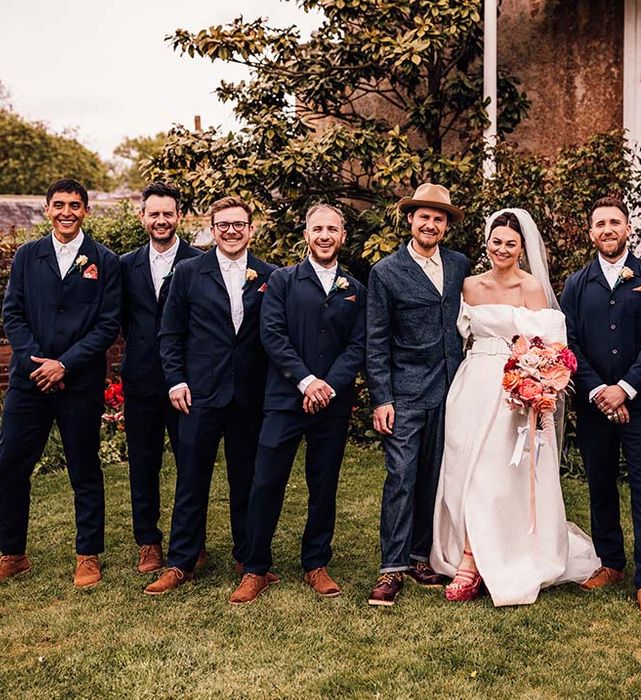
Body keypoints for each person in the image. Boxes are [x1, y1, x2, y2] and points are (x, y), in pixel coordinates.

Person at [430, 209, 600, 605]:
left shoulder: (532, 288)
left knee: (496, 474)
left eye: (510, 243)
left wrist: (535, 385)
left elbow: (552, 346)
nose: (501, 249)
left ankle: (477, 561)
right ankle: (467, 550)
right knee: (463, 470)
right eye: (496, 241)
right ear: (486, 243)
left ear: (522, 249)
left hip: (514, 393)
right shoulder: (469, 286)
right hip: (472, 386)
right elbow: (460, 335)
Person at [230, 203, 366, 604]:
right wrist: (306, 383)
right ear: (306, 235)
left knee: (323, 485)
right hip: (285, 401)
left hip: (332, 405)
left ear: (343, 236)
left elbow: (358, 346)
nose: (325, 235)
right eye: (317, 228)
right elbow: (271, 335)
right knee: (266, 483)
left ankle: (316, 564)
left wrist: (328, 387)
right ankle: (255, 567)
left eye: (332, 229)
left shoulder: (355, 289)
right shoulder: (283, 281)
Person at [144, 196, 276, 595]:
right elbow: (170, 334)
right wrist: (176, 380)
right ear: (212, 228)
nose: (231, 231)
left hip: (249, 394)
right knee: (191, 479)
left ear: (251, 229)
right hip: (199, 392)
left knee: (246, 478)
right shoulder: (188, 273)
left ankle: (248, 556)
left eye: (239, 224)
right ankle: (181, 561)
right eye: (223, 225)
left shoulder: (270, 275)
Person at [0, 178, 121, 588]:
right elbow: (12, 313)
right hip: (28, 382)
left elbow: (107, 326)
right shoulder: (27, 256)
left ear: (86, 210)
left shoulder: (104, 261)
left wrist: (65, 364)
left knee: (84, 470)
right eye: (59, 205)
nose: (66, 212)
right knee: (10, 465)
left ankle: (88, 555)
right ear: (46, 209)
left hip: (79, 384)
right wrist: (37, 362)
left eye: (74, 205)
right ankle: (13, 553)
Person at [560, 196, 641, 617]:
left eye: (615, 222)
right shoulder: (576, 283)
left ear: (628, 228)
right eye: (599, 223)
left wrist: (624, 389)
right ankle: (611, 563)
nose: (607, 229)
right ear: (591, 233)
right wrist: (598, 392)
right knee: (601, 485)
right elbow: (569, 342)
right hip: (594, 405)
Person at [366, 183, 470, 606]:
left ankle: (418, 554)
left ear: (446, 226)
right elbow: (376, 339)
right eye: (424, 216)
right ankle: (391, 567)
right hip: (405, 393)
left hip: (453, 391)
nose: (431, 224)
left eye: (439, 218)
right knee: (402, 477)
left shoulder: (460, 266)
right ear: (410, 219)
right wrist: (381, 398)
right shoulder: (385, 272)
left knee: (435, 476)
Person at [120, 182, 202, 574]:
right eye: (154, 213)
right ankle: (148, 543)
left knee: (192, 464)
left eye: (168, 213)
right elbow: (121, 321)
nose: (161, 220)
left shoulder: (200, 261)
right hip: (140, 382)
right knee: (143, 464)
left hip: (187, 383)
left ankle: (192, 542)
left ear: (179, 217)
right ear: (142, 217)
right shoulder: (124, 265)